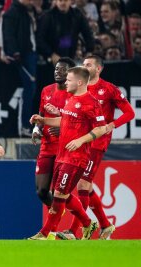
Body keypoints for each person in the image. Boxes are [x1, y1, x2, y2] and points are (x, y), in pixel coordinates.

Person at [58, 55, 135, 240]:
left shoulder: (108, 89)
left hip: (96, 143)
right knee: (85, 185)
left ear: (98, 69)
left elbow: (130, 113)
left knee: (83, 184)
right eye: (83, 64)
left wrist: (111, 126)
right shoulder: (77, 88)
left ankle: (73, 232)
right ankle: (105, 225)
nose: (84, 66)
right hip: (78, 143)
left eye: (88, 64)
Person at [28, 67, 108, 240]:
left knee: (58, 195)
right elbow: (64, 120)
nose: (65, 82)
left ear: (79, 82)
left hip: (76, 158)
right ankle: (88, 223)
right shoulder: (71, 99)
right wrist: (43, 120)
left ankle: (44, 233)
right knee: (60, 193)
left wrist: (81, 140)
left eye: (69, 80)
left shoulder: (91, 102)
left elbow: (101, 128)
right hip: (61, 156)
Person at [32, 58, 76, 213]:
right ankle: (59, 211)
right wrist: (37, 130)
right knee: (41, 191)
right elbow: (41, 115)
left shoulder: (75, 94)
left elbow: (80, 121)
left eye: (63, 69)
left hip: (64, 149)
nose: (58, 71)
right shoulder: (47, 90)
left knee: (59, 192)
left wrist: (63, 128)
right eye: (56, 69)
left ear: (71, 72)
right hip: (46, 146)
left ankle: (56, 223)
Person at [2, 0, 38, 137]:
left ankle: (26, 124)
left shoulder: (29, 11)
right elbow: (8, 34)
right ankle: (24, 125)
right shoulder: (12, 13)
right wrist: (14, 51)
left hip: (32, 52)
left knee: (32, 89)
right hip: (23, 55)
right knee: (28, 88)